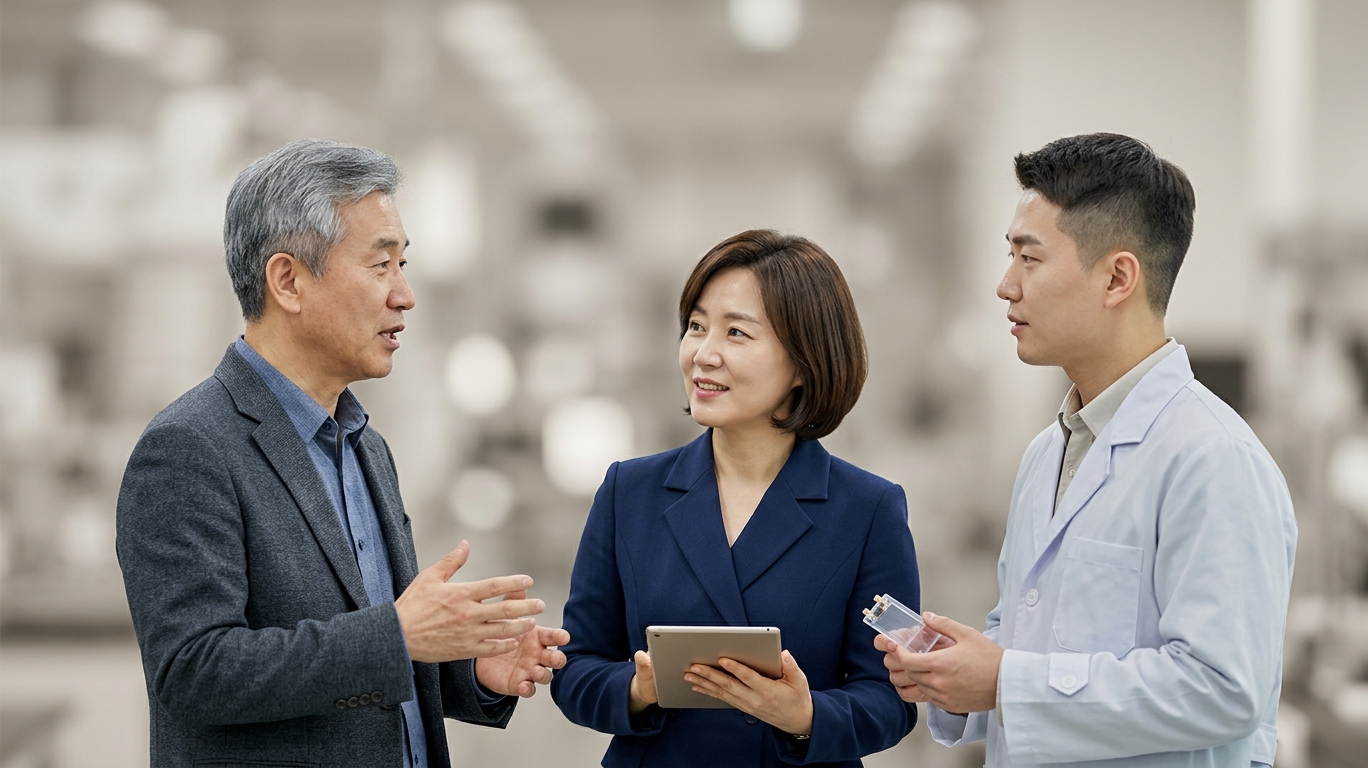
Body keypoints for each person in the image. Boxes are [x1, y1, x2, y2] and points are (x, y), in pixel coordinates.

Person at [115, 139, 569, 768]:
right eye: (381, 266)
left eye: (403, 264)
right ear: (288, 281)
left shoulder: (364, 447)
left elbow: (375, 656)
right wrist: (400, 634)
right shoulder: (189, 449)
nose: (405, 295)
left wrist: (468, 667)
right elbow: (195, 672)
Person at [875, 133, 1297, 765]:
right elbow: (1034, 648)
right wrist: (960, 678)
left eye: (1030, 259)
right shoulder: (1048, 454)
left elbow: (1224, 688)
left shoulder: (1212, 459)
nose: (1005, 286)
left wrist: (1005, 680)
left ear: (1117, 277)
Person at [552, 230, 921, 767]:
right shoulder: (627, 493)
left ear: (803, 361)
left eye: (736, 334)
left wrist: (806, 716)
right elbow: (576, 667)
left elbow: (892, 696)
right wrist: (639, 688)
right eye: (696, 327)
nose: (704, 354)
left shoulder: (869, 510)